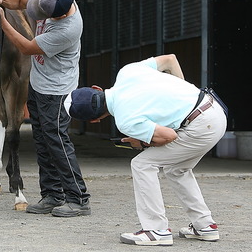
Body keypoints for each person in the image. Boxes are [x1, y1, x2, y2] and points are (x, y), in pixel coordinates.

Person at [65, 54, 227, 246]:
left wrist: (141, 143)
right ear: (96, 88)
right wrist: (184, 97)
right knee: (176, 169)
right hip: (213, 109)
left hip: (200, 126)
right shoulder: (127, 71)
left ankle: (156, 229)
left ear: (95, 120)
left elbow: (169, 136)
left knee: (142, 163)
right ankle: (205, 225)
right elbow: (170, 60)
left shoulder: (125, 121)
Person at [0, 0, 91, 217]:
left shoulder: (69, 29)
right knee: (41, 141)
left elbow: (27, 47)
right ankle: (52, 195)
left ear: (58, 16)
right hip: (38, 83)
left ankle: (78, 198)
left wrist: (2, 21)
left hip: (57, 90)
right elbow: (21, 0)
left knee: (57, 141)